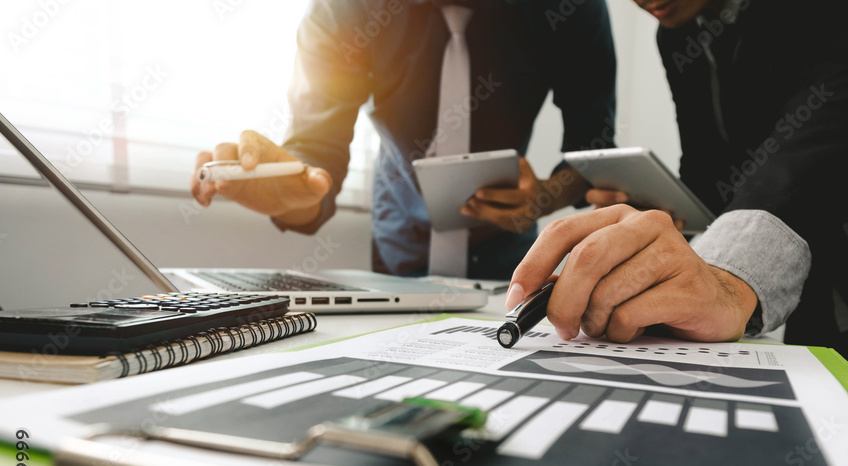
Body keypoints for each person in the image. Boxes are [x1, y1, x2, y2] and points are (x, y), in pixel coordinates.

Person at [508, 0, 848, 418]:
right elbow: (713, 168)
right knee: (819, 413)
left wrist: (725, 273)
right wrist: (656, 207)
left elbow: (844, 111)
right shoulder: (679, 34)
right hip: (821, 262)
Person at [190, 0, 617, 280]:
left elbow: (592, 150)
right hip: (398, 250)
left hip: (511, 258)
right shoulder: (345, 9)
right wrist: (294, 199)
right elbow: (316, 149)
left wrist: (545, 197)